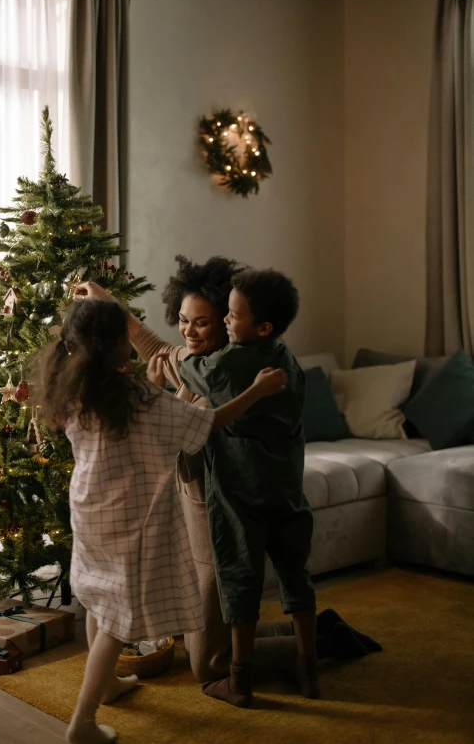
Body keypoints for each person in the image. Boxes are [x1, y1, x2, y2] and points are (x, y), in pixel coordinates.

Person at [73, 261, 381, 689]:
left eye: (204, 322)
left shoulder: (228, 367)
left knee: (209, 663)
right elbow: (164, 363)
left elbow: (166, 363)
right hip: (200, 504)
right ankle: (312, 633)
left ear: (231, 325)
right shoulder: (213, 363)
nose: (189, 331)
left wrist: (117, 314)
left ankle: (321, 641)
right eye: (183, 320)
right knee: (201, 636)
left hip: (220, 507)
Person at [34, 298, 287, 744]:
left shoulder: (73, 387)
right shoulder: (136, 397)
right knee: (116, 617)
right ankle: (82, 723)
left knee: (98, 599)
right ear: (116, 346)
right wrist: (257, 391)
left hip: (90, 508)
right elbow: (206, 424)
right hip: (131, 516)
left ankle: (107, 684)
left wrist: (158, 388)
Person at [178, 268, 317, 708]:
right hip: (289, 490)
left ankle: (240, 680)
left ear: (262, 327)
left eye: (231, 316)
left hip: (242, 493)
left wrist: (177, 358)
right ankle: (308, 670)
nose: (223, 323)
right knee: (297, 580)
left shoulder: (232, 362)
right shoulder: (286, 357)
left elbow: (189, 365)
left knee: (240, 580)